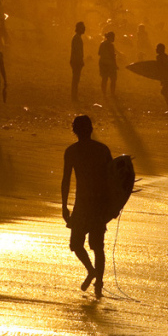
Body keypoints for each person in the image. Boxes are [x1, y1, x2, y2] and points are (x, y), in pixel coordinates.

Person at [61, 114, 113, 298]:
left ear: (75, 130)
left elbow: (66, 180)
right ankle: (96, 279)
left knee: (78, 244)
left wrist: (64, 206)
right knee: (96, 247)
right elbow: (113, 179)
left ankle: (95, 277)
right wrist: (113, 206)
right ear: (90, 129)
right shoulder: (102, 150)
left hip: (84, 205)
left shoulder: (72, 151)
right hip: (98, 205)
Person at [98, 30, 118, 98]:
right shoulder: (111, 45)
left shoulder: (102, 43)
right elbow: (112, 56)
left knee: (104, 79)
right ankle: (112, 94)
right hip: (109, 64)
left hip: (102, 63)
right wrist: (115, 65)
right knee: (113, 79)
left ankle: (104, 94)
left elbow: (99, 53)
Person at [69, 21, 86, 102]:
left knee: (76, 79)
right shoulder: (77, 38)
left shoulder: (77, 37)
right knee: (76, 79)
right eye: (83, 28)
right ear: (79, 29)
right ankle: (74, 96)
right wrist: (80, 61)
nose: (84, 29)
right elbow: (77, 52)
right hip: (76, 61)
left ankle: (74, 96)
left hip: (76, 61)